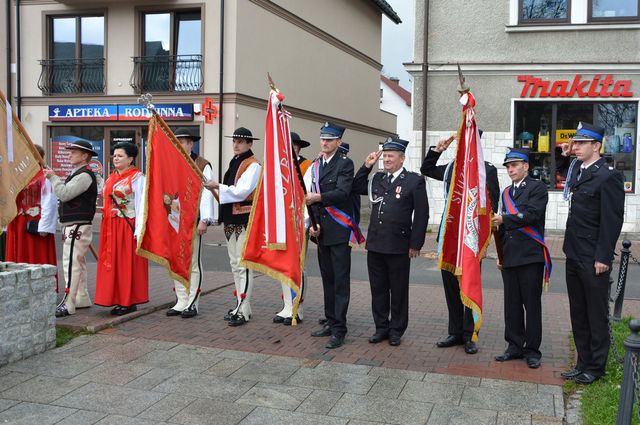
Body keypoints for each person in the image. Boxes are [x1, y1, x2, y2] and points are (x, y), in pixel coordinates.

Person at [421, 132, 500, 354]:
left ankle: (469, 335)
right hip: (450, 239)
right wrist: (437, 150)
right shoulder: (450, 169)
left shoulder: (487, 170)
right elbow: (426, 170)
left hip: (472, 240)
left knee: (470, 285)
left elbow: (493, 201)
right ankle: (455, 332)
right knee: (450, 288)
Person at [560, 122, 624, 385]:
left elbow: (612, 221)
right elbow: (568, 175)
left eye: (581, 143)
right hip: (574, 252)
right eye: (575, 143)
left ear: (596, 146)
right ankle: (582, 362)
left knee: (596, 314)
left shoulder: (608, 176)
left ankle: (596, 367)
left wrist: (603, 257)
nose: (575, 147)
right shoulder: (580, 170)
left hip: (592, 257)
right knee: (578, 311)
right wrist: (565, 156)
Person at [352, 137, 428, 346]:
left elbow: (422, 215)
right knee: (378, 289)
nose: (386, 159)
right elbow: (356, 186)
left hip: (398, 245)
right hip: (376, 244)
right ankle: (381, 327)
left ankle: (396, 330)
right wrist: (367, 165)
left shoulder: (413, 180)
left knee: (398, 290)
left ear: (401, 158)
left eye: (390, 156)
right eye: (384, 155)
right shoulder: (377, 179)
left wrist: (416, 244)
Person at [491, 148, 549, 369]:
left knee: (531, 305)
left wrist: (504, 218)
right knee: (512, 304)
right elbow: (502, 229)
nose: (510, 169)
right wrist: (501, 254)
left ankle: (532, 350)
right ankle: (514, 346)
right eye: (507, 166)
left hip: (530, 255)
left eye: (514, 165)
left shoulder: (538, 187)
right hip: (511, 255)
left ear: (526, 166)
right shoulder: (506, 192)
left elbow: (532, 215)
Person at [304, 122, 356, 349]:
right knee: (327, 279)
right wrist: (312, 226)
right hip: (321, 230)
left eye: (329, 139)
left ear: (338, 142)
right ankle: (330, 320)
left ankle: (339, 329)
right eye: (322, 139)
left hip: (338, 230)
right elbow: (310, 197)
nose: (324, 142)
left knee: (340, 281)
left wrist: (318, 199)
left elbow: (342, 192)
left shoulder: (345, 163)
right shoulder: (316, 164)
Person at [204, 127, 260, 326]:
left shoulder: (253, 165)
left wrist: (218, 186)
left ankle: (243, 308)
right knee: (235, 263)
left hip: (243, 218)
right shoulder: (235, 162)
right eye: (235, 141)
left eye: (241, 141)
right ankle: (241, 305)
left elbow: (242, 191)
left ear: (250, 144)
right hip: (231, 218)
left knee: (242, 264)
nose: (236, 145)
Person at [44, 140, 98, 317]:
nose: (70, 154)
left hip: (78, 224)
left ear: (84, 156)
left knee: (71, 264)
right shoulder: (80, 173)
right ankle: (81, 298)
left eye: (74, 152)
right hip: (76, 224)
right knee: (78, 263)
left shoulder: (84, 175)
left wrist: (53, 178)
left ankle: (69, 303)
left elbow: (65, 194)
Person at [165, 128, 215, 319]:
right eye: (177, 141)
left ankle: (193, 302)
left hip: (193, 220)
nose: (180, 145)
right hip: (174, 220)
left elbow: (207, 193)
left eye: (184, 141)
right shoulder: (170, 163)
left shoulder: (201, 164)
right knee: (175, 261)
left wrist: (205, 219)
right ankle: (181, 300)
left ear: (190, 144)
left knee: (193, 262)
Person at [94, 142, 148, 316]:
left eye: (120, 156)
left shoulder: (137, 178)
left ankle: (128, 301)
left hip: (126, 226)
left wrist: (139, 230)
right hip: (110, 226)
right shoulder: (111, 177)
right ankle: (115, 298)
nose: (116, 158)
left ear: (131, 159)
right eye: (114, 155)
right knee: (113, 262)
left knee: (126, 263)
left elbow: (142, 205)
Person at [5, 145, 58, 286]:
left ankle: (39, 286)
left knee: (35, 256)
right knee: (16, 258)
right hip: (17, 222)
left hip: (34, 223)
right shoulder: (16, 176)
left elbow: (50, 202)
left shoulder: (44, 177)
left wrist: (45, 227)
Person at [274, 132, 311, 325]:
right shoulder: (279, 166)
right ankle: (287, 305)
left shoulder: (306, 166)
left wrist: (304, 222)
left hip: (298, 221)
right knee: (283, 263)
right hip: (282, 222)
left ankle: (298, 307)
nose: (292, 148)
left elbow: (308, 196)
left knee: (297, 265)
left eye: (294, 145)